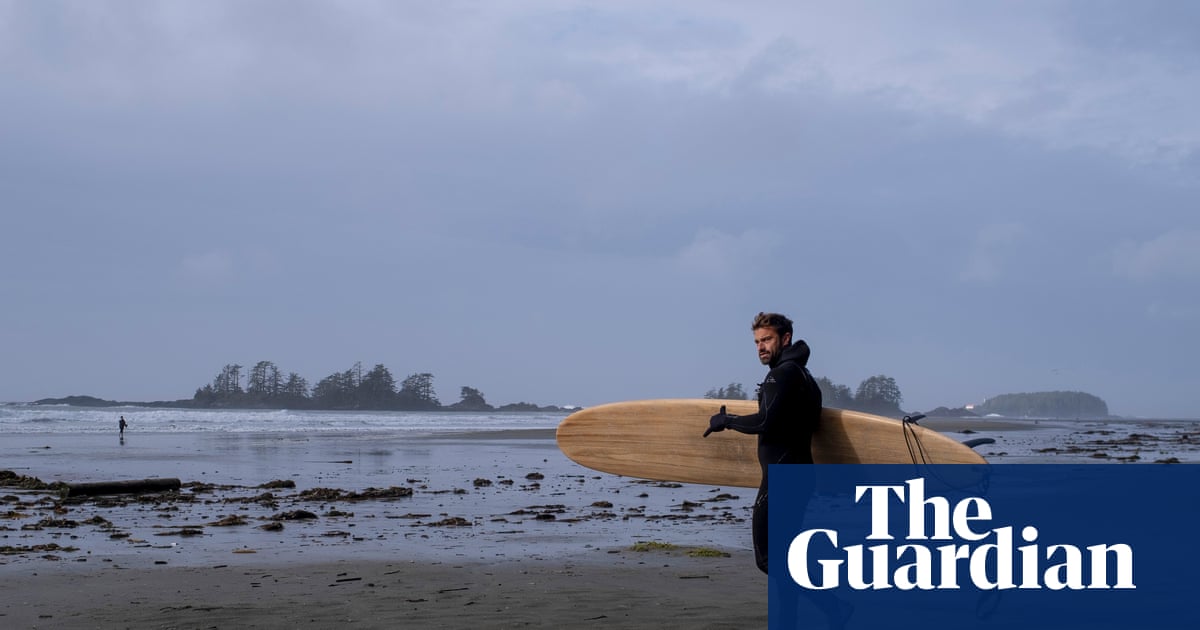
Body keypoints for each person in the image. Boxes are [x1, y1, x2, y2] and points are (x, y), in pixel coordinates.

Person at [705, 312, 848, 627]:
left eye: (766, 339)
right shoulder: (805, 377)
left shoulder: (780, 375)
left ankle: (833, 603)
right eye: (757, 342)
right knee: (786, 556)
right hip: (800, 474)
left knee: (768, 558)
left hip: (781, 478)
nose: (760, 347)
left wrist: (725, 422)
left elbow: (765, 421)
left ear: (785, 339)